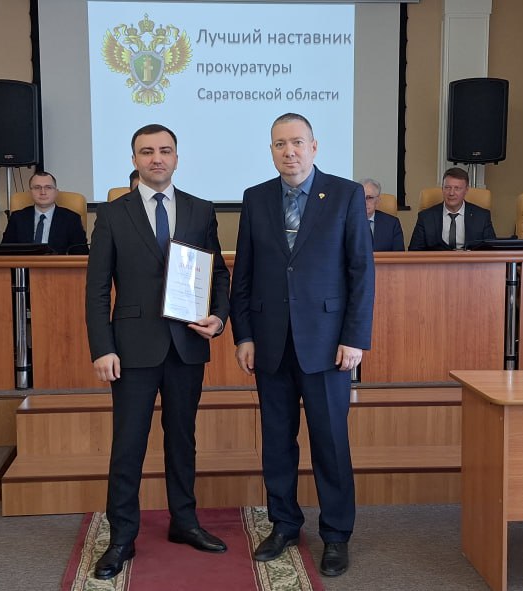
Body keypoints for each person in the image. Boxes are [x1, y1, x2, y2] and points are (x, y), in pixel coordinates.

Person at [84, 124, 231, 580]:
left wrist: (219, 317)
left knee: (182, 440)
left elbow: (217, 274)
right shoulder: (113, 214)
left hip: (187, 345)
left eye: (165, 150)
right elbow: (96, 290)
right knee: (128, 445)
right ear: (134, 160)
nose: (157, 158)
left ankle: (184, 521)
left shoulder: (200, 209)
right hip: (131, 350)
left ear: (176, 158)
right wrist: (102, 348)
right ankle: (122, 536)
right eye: (146, 152)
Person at [230, 113, 374, 578]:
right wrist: (244, 334)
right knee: (277, 442)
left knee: (330, 442)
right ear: (271, 150)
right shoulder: (255, 198)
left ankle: (336, 534)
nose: (288, 151)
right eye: (279, 144)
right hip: (270, 343)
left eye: (296, 142)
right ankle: (285, 524)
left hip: (328, 345)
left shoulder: (345, 194)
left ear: (314, 146)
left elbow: (361, 271)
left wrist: (354, 337)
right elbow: (244, 273)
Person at [407, 167, 496, 250]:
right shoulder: (426, 217)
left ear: (466, 190)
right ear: (442, 189)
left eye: (457, 188)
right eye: (447, 187)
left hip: (470, 261)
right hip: (437, 261)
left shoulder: (482, 216)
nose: (451, 193)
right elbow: (414, 251)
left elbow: (491, 250)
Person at [0, 171, 88, 253]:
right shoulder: (17, 218)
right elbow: (5, 252)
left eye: (48, 187)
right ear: (30, 192)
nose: (43, 192)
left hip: (58, 264)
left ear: (56, 192)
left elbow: (81, 254)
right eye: (37, 188)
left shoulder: (71, 219)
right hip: (25, 264)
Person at [360, 178, 404, 252]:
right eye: (361, 197)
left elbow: (399, 255)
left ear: (377, 201)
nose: (364, 202)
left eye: (369, 198)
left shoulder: (392, 224)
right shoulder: (347, 222)